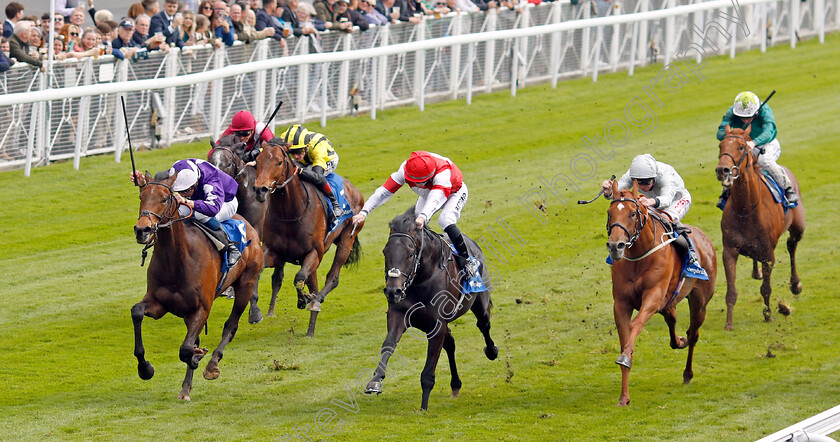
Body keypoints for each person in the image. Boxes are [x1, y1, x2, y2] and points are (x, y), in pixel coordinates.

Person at [351, 151, 482, 279]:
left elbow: (435, 198)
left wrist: (423, 216)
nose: (417, 184)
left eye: (421, 181)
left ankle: (467, 260)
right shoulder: (405, 169)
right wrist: (364, 212)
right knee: (415, 225)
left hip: (454, 192)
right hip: (430, 192)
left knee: (445, 220)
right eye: (413, 181)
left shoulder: (443, 174)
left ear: (430, 176)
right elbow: (383, 192)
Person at [600, 153, 708, 279]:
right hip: (650, 200)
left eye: (647, 182)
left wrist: (652, 202)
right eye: (639, 183)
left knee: (668, 220)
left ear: (655, 176)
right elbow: (618, 192)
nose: (643, 186)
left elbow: (667, 199)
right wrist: (608, 192)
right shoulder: (633, 174)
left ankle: (692, 259)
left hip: (676, 199)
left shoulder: (666, 175)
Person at [130, 159, 242, 268]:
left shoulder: (211, 181)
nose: (183, 194)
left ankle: (230, 247)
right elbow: (157, 188)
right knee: (172, 211)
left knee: (200, 215)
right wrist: (143, 183)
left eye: (186, 191)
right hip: (199, 198)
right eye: (180, 191)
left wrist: (187, 201)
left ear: (196, 182)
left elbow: (213, 209)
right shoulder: (176, 172)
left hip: (224, 202)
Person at [716, 91, 798, 208]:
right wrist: (733, 139)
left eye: (748, 117)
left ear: (756, 112)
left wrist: (754, 142)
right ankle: (725, 192)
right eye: (742, 118)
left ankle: (788, 189)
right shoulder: (732, 111)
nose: (745, 120)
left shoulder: (765, 111)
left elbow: (769, 131)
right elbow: (720, 132)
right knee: (732, 160)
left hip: (767, 143)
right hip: (743, 144)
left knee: (764, 161)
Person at [279, 124, 343, 217]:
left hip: (327, 159)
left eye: (299, 151)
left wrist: (301, 171)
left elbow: (318, 176)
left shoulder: (319, 149)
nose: (296, 156)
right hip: (306, 159)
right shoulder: (285, 138)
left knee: (309, 175)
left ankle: (335, 204)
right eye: (292, 152)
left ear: (307, 146)